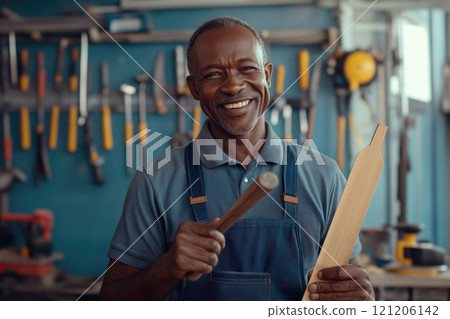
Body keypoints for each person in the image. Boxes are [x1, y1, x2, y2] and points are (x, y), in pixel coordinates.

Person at [100, 16, 374, 301]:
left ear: (267, 75)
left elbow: (345, 282)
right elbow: (111, 300)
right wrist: (167, 267)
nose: (233, 86)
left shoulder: (324, 176)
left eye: (247, 68)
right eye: (213, 74)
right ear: (194, 88)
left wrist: (359, 294)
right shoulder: (156, 181)